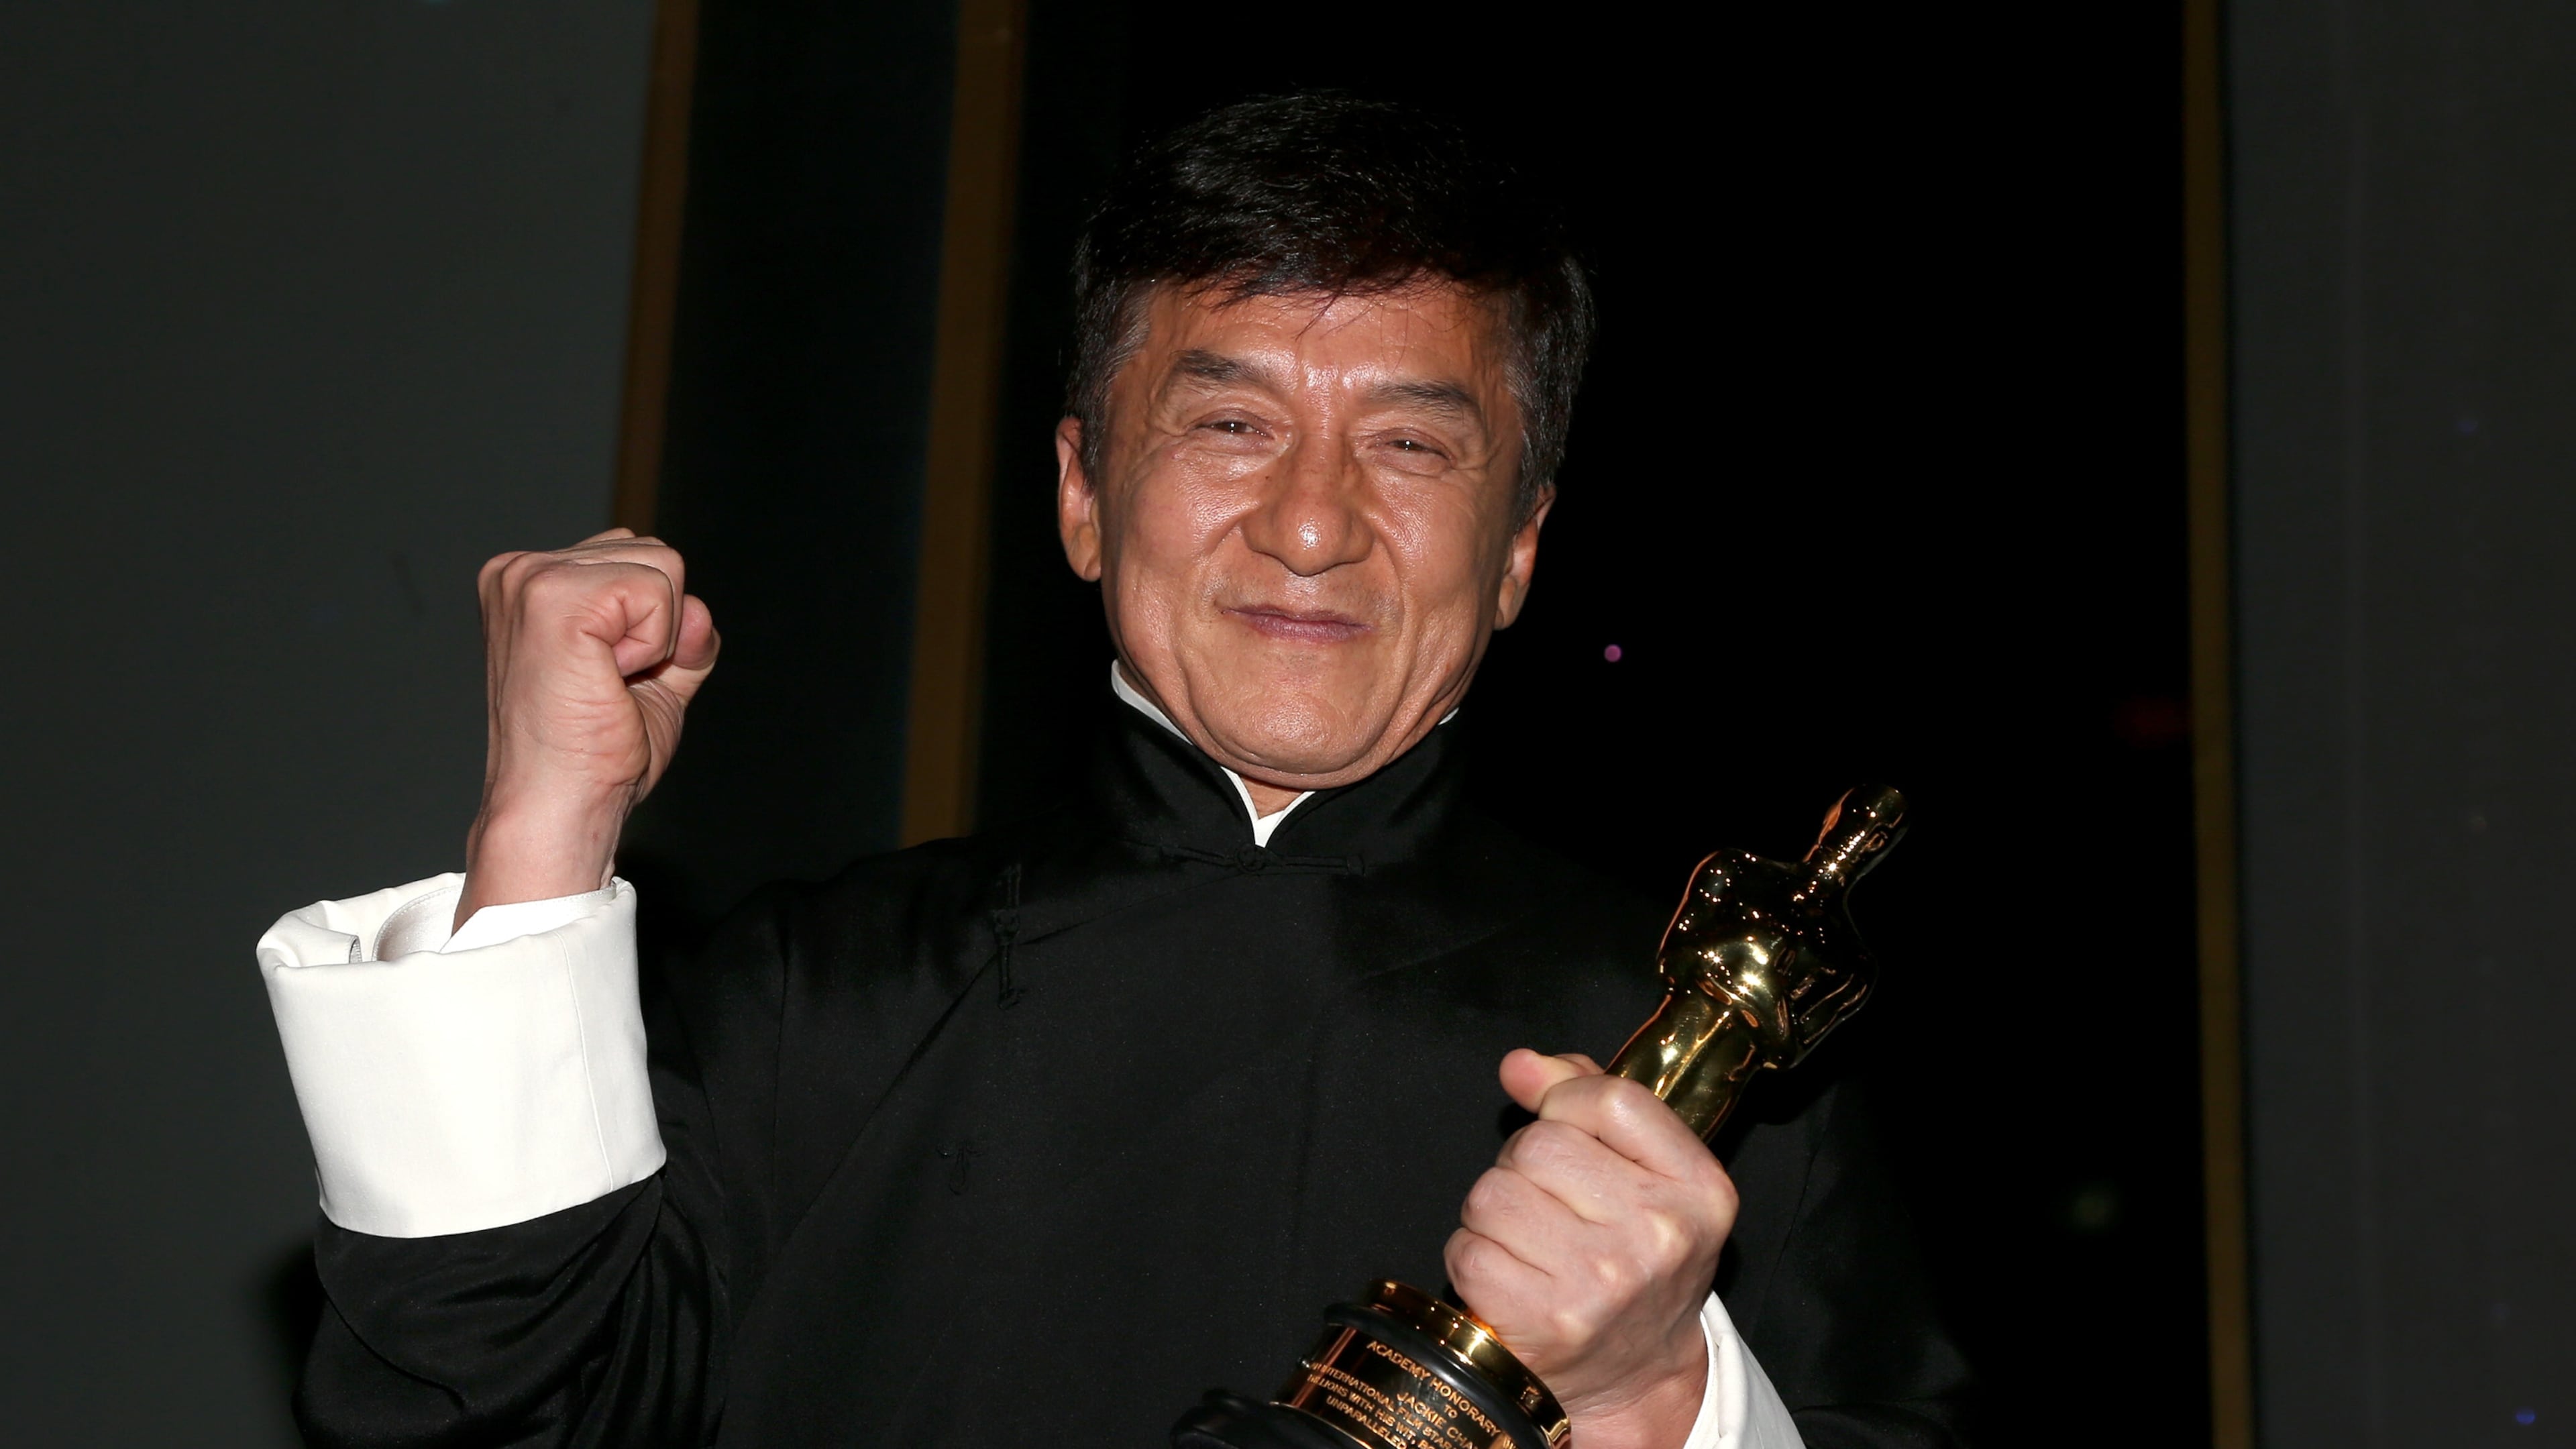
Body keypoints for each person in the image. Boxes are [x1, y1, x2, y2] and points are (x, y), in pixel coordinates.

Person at [258, 95, 1969, 1448]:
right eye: (1228, 423)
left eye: (1409, 444)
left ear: (1520, 545)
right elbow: (477, 1409)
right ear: (1082, 492)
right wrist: (541, 829)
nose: (1311, 524)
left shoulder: (1708, 1082)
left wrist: (1658, 1405)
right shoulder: (806, 1000)